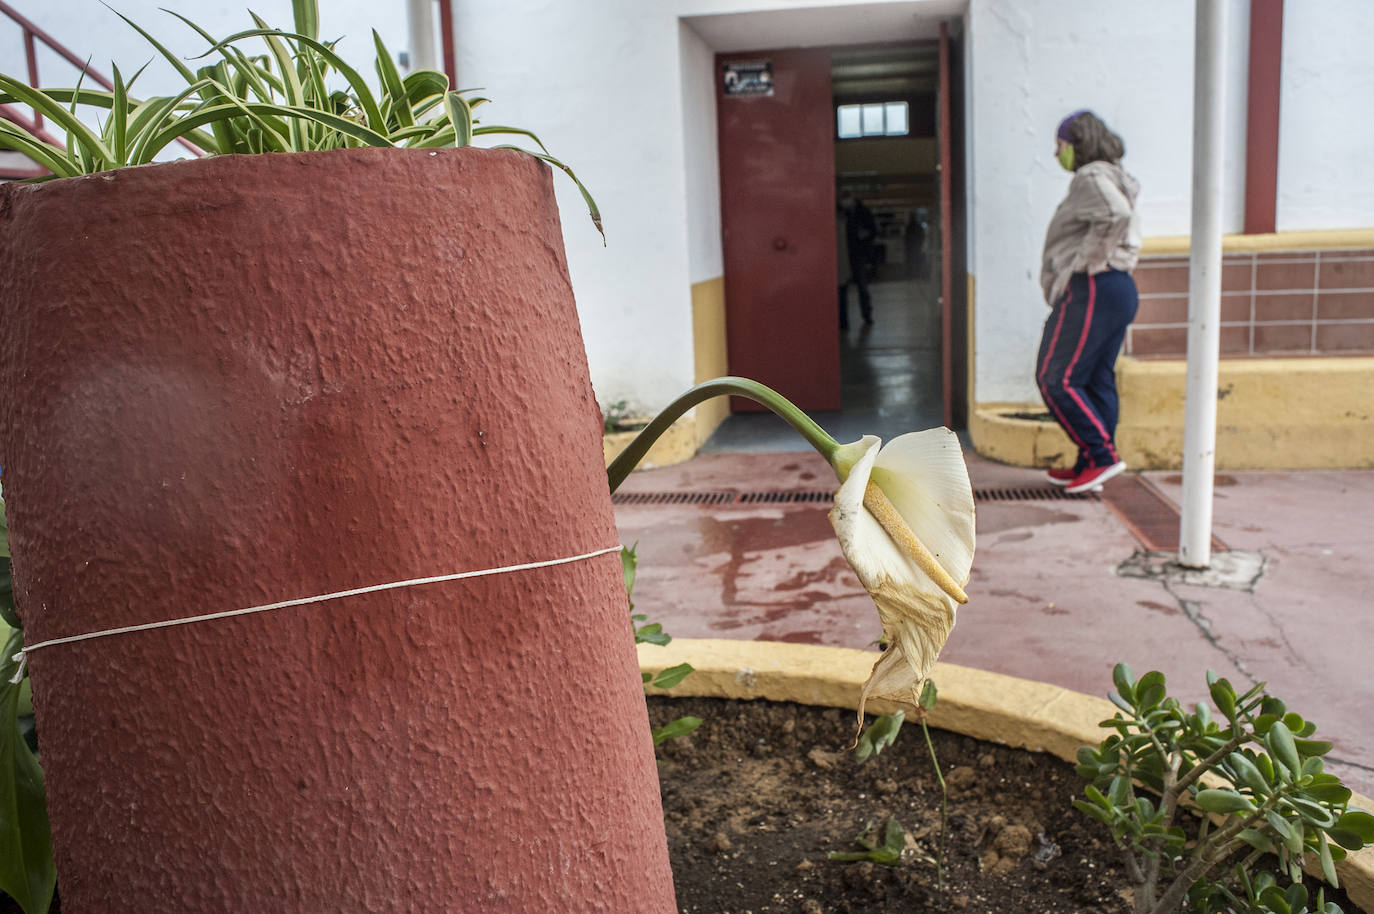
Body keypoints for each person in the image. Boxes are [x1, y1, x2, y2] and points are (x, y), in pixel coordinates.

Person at [1036, 110, 1141, 494]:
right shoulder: (1113, 175)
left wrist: (1087, 261)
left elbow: (1116, 214)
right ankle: (1091, 462)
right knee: (1095, 380)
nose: (1056, 153)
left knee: (1055, 378)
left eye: (1060, 145)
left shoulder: (1091, 176)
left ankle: (1101, 456)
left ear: (1076, 143)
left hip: (1094, 286)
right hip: (1118, 289)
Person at [838, 193, 877, 330]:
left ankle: (866, 314)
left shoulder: (862, 212)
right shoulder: (839, 213)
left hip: (858, 254)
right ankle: (843, 321)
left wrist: (864, 237)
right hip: (844, 254)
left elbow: (873, 231)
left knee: (861, 287)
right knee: (842, 288)